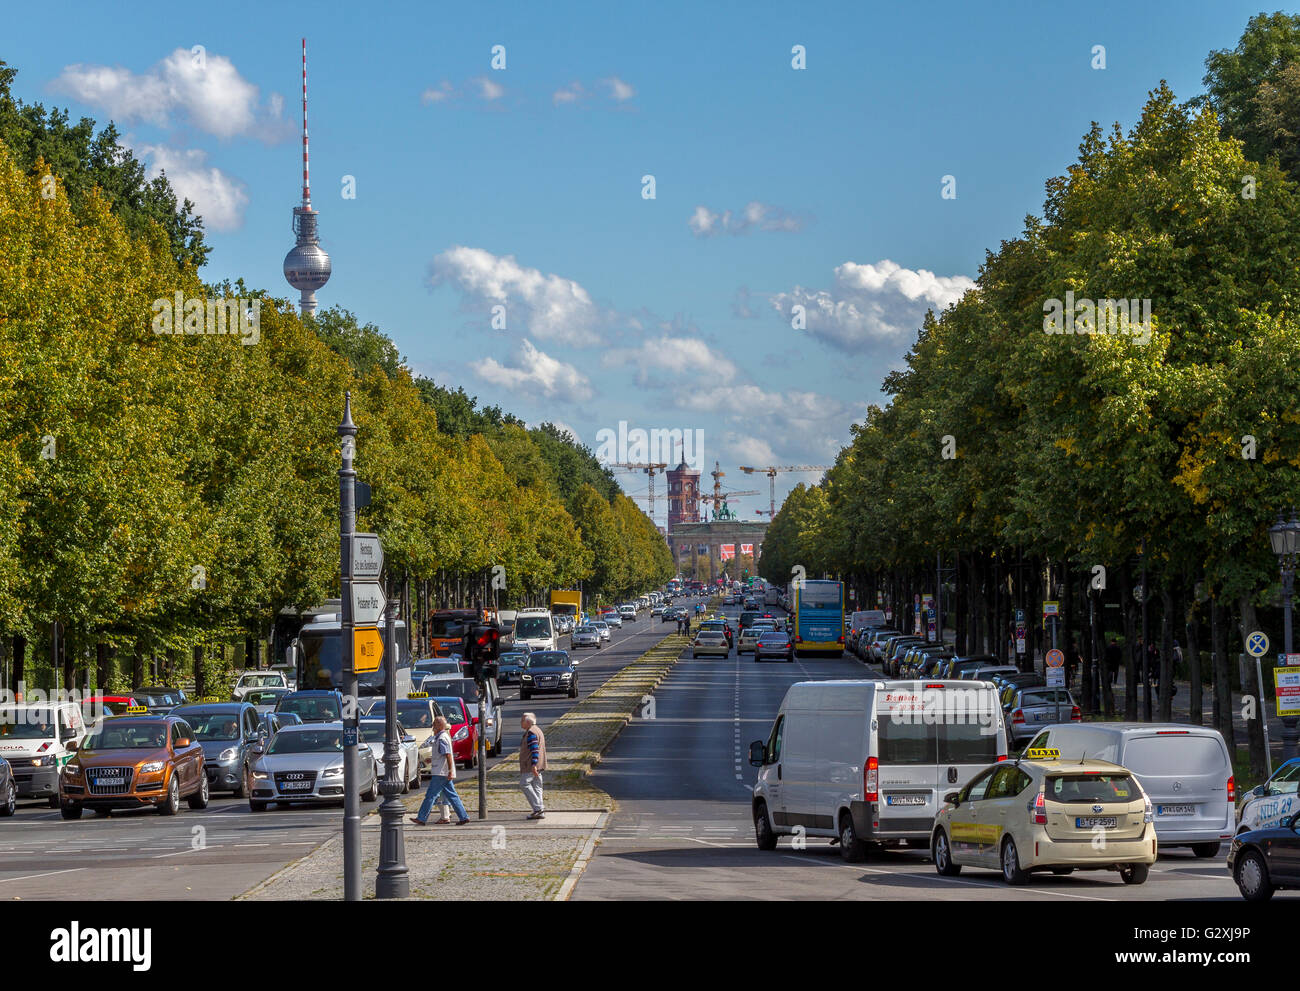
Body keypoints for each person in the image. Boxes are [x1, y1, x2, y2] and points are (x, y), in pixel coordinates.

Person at [409, 715, 469, 826]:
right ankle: (463, 816)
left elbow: (448, 755)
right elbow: (443, 755)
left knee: (431, 796)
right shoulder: (442, 737)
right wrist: (432, 759)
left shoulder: (441, 738)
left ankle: (421, 818)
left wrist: (450, 770)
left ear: (439, 725)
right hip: (442, 771)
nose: (432, 726)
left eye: (434, 724)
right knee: (452, 795)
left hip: (441, 772)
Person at [519, 712, 546, 820]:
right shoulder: (537, 729)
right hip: (539, 764)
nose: (521, 723)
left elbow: (534, 749)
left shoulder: (531, 733)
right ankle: (540, 810)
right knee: (537, 786)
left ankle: (538, 808)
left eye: (522, 721)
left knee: (524, 784)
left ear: (528, 722)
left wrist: (533, 765)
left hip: (530, 765)